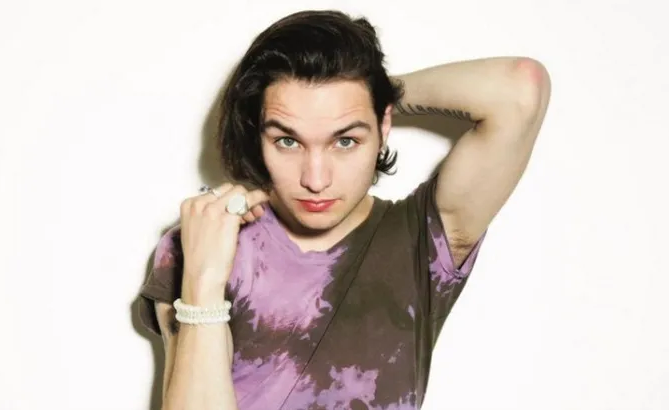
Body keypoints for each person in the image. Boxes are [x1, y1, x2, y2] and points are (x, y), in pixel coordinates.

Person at [137, 9, 551, 410]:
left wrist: (373, 91)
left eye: (345, 140)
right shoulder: (204, 243)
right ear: (258, 135)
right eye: (287, 141)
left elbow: (521, 87)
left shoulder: (422, 242)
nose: (316, 179)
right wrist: (204, 280)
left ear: (382, 126)